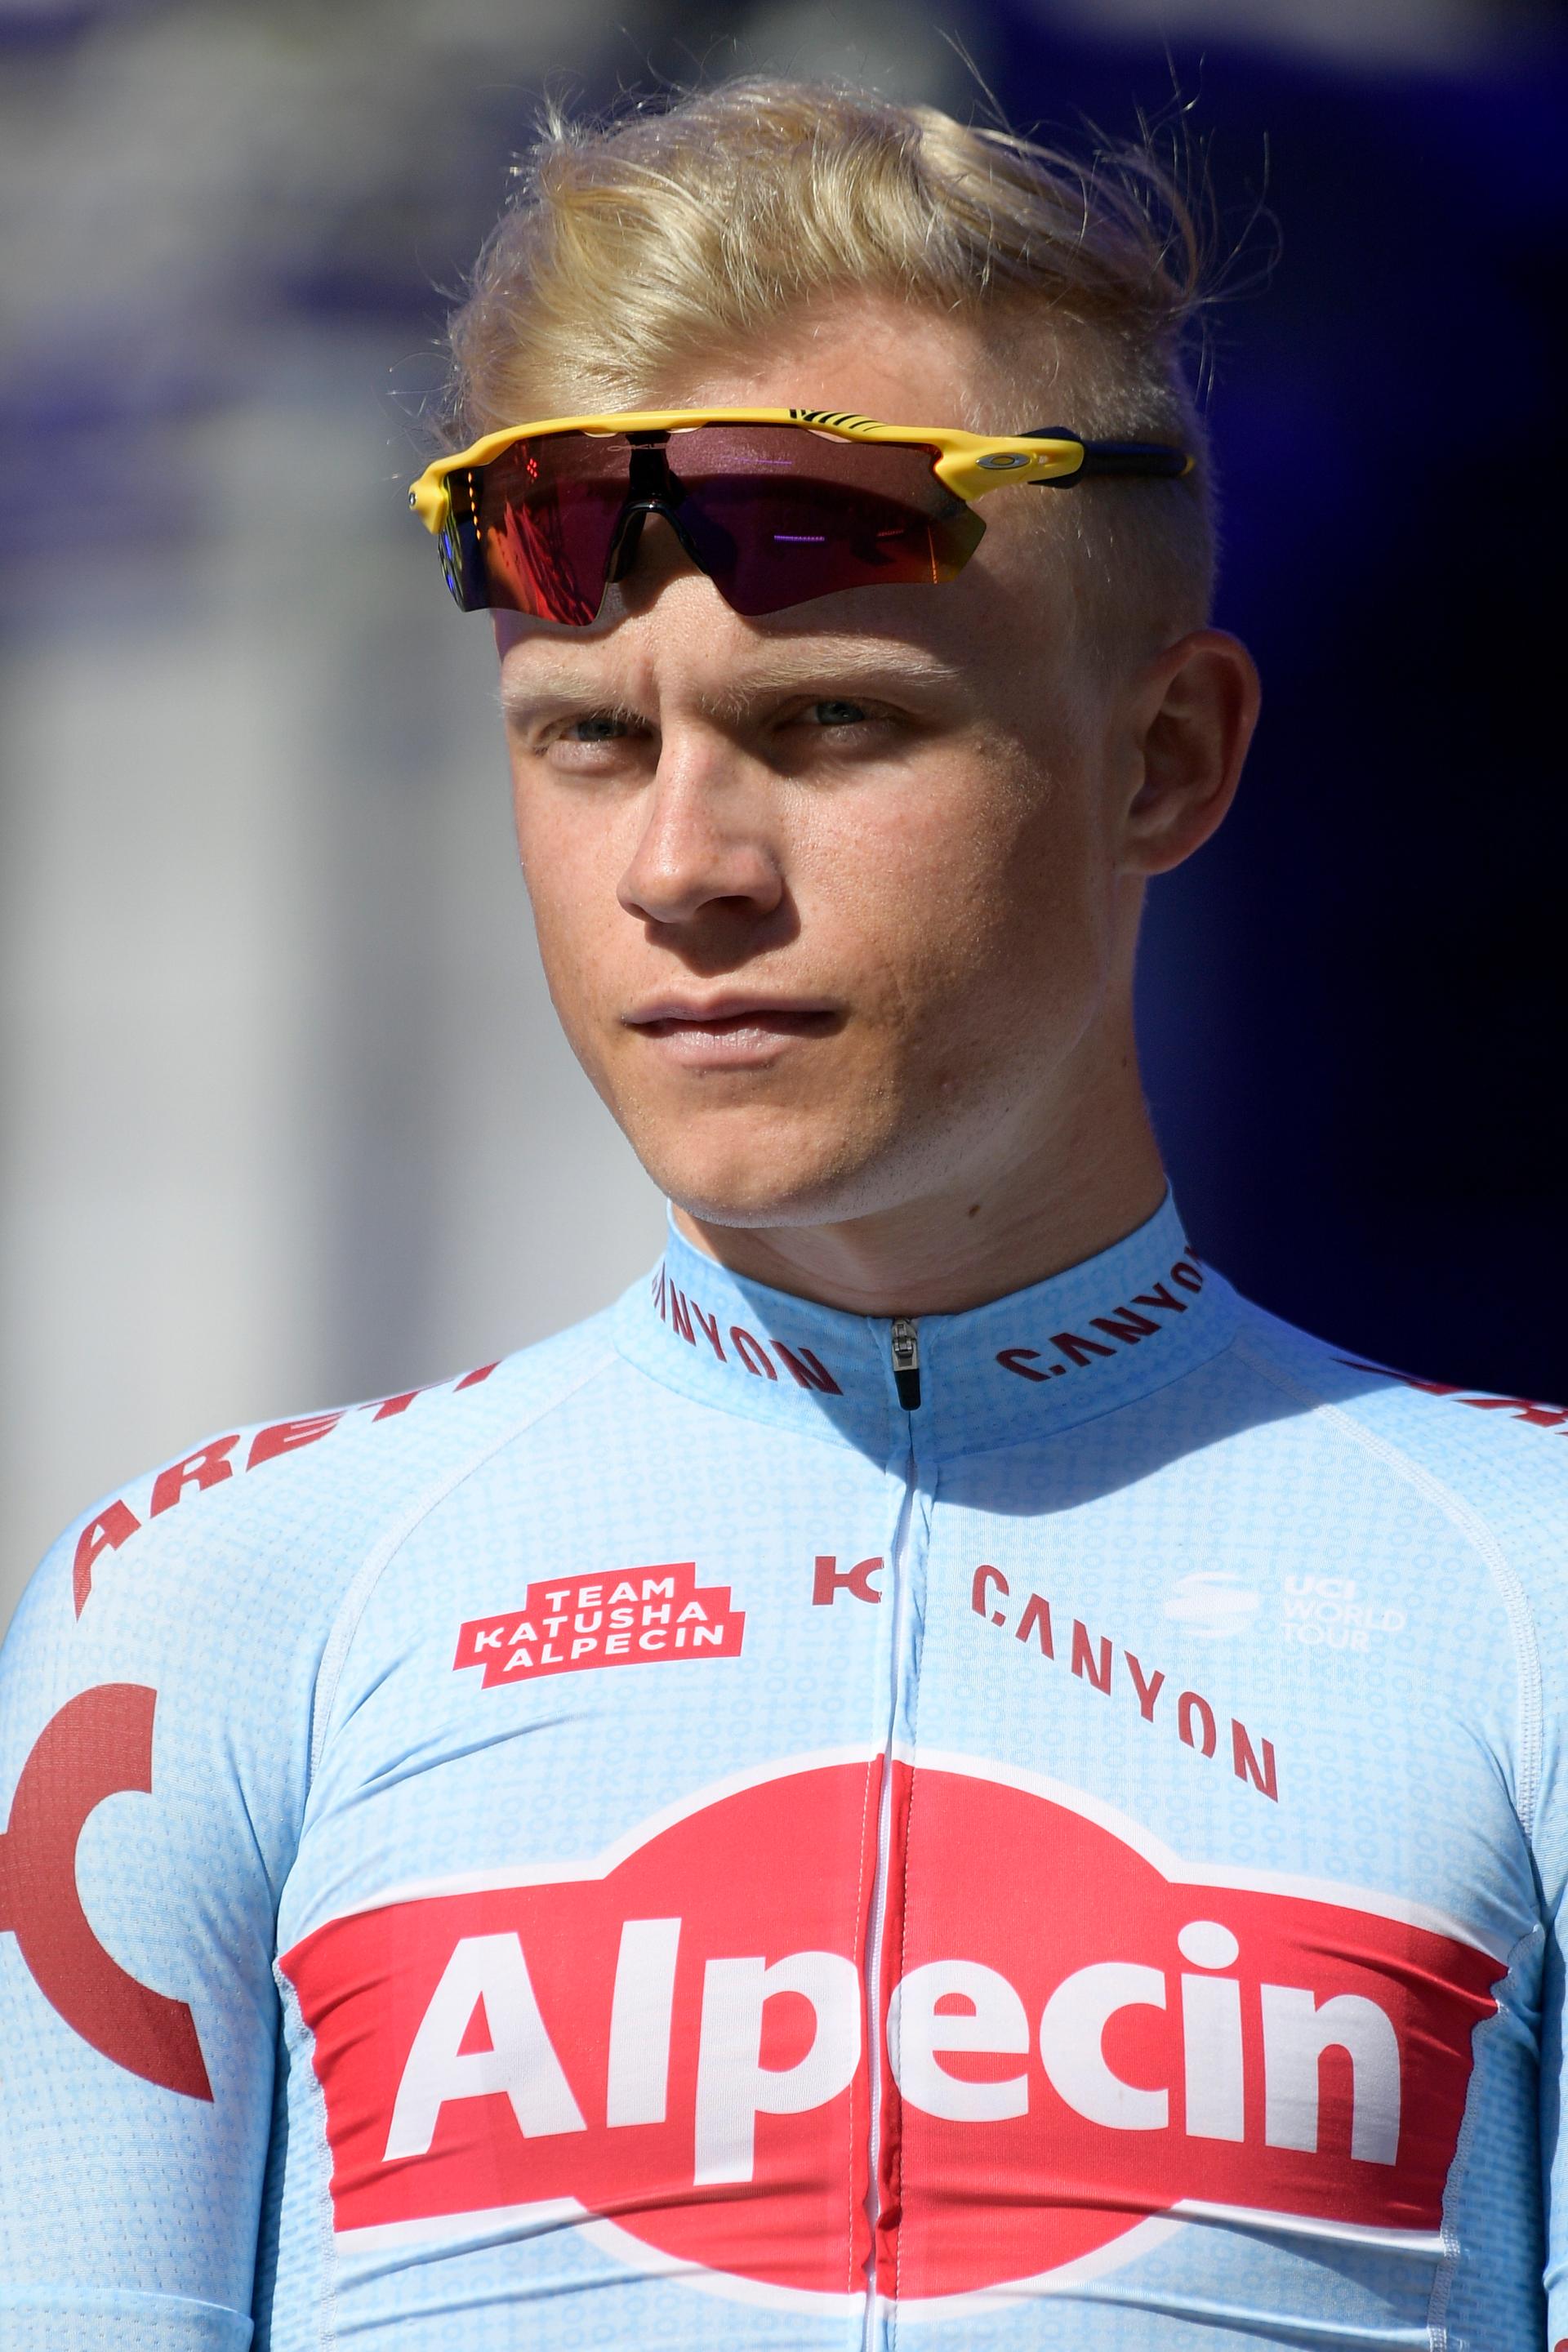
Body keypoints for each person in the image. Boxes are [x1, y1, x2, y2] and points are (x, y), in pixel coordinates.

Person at [1, 74, 1563, 2352]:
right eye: (585, 738)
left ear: (1169, 758)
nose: (682, 870)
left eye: (832, 722)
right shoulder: (211, 1620)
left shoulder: (1526, 1600)